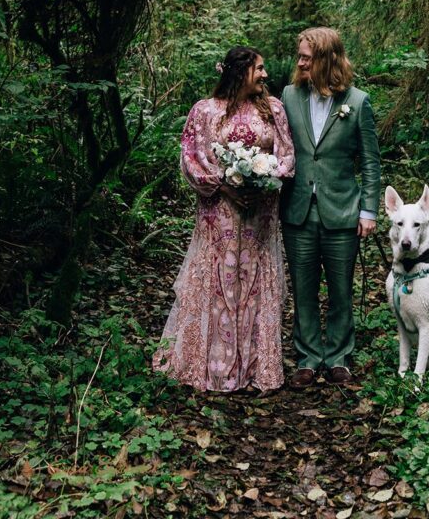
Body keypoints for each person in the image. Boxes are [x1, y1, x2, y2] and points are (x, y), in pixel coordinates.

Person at [153, 46, 295, 393]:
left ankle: (254, 371)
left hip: (259, 214)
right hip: (220, 214)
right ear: (239, 72)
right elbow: (192, 155)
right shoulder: (205, 111)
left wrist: (264, 182)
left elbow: (287, 155)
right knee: (221, 279)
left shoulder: (273, 109)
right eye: (258, 69)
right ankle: (213, 369)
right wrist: (226, 185)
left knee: (254, 282)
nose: (264, 75)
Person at [280, 27, 381, 387]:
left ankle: (338, 356)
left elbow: (370, 162)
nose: (301, 62)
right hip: (298, 212)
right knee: (303, 288)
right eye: (301, 55)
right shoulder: (289, 96)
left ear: (328, 59)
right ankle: (308, 357)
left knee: (341, 290)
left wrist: (369, 211)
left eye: (308, 56)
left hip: (342, 211)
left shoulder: (358, 101)